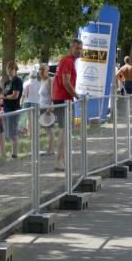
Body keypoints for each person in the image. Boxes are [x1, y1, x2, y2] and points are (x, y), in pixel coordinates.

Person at [52, 39, 82, 171]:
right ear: (71, 48)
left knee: (65, 130)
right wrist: (77, 95)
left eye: (80, 48)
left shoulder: (67, 61)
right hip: (63, 99)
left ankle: (62, 159)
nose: (79, 51)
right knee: (64, 130)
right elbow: (65, 82)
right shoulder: (68, 61)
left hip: (62, 98)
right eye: (77, 48)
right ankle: (59, 161)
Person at [2, 61, 23, 158]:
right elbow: (5, 94)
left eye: (12, 70)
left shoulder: (17, 80)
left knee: (12, 132)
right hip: (6, 109)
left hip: (14, 109)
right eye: (8, 70)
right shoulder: (7, 82)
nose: (10, 72)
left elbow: (15, 95)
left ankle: (14, 154)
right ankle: (13, 152)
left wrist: (5, 97)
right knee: (9, 132)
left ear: (15, 70)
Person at [38, 63, 55, 156]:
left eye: (42, 70)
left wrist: (50, 107)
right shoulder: (41, 81)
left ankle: (50, 150)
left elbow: (53, 95)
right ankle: (49, 149)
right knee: (46, 129)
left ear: (47, 71)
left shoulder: (49, 80)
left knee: (49, 129)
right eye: (39, 70)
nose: (40, 72)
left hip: (47, 108)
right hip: (41, 107)